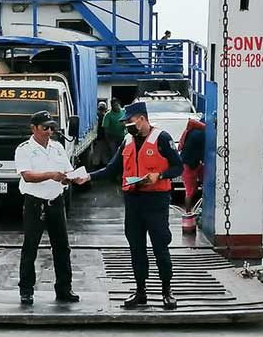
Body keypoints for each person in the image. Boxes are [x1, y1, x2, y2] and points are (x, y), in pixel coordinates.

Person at [76, 102, 183, 310]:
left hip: (156, 200)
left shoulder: (162, 138)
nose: (128, 126)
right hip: (133, 201)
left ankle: (166, 291)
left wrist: (159, 175)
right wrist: (87, 177)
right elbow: (112, 168)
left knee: (160, 246)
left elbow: (178, 165)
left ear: (142, 119)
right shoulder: (127, 141)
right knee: (136, 248)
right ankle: (140, 291)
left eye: (130, 122)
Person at [14, 111, 80, 305]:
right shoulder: (24, 149)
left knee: (62, 247)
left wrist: (73, 177)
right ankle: (26, 290)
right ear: (33, 128)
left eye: (52, 127)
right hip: (35, 202)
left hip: (56, 201)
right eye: (45, 128)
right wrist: (51, 174)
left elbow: (67, 170)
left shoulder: (58, 147)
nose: (49, 131)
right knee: (30, 248)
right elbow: (27, 176)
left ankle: (64, 288)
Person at [179, 118, 206, 214]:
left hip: (188, 163)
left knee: (189, 191)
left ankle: (188, 213)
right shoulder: (201, 134)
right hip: (194, 164)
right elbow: (203, 150)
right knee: (202, 186)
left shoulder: (190, 132)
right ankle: (189, 213)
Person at [90, 101, 110, 167]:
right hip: (103, 137)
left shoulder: (96, 116)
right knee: (105, 154)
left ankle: (96, 166)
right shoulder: (105, 116)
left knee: (97, 153)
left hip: (98, 138)